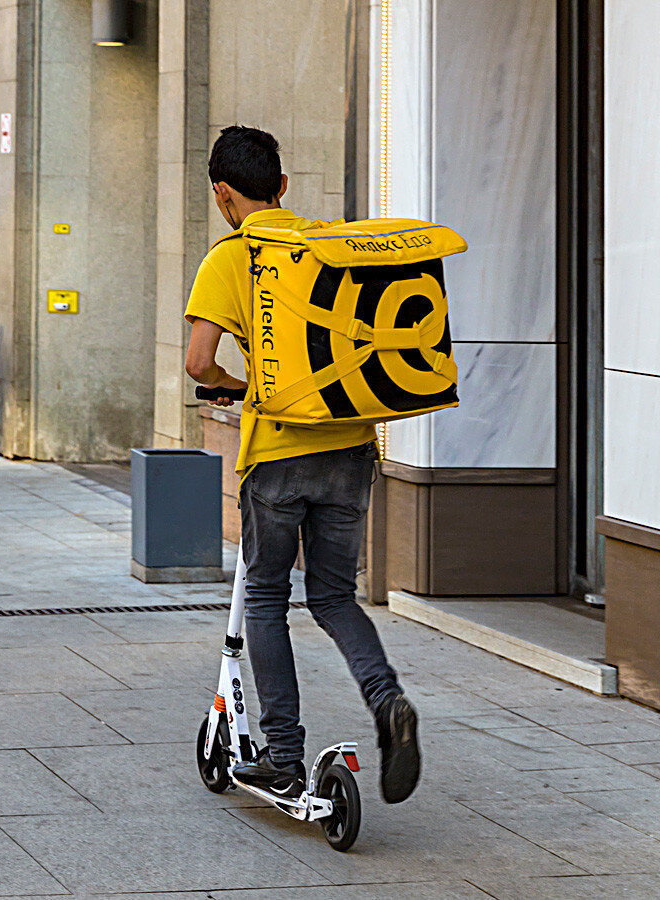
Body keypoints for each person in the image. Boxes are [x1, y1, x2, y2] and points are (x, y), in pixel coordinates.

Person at [183, 126, 421, 805]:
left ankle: (282, 755)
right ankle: (388, 700)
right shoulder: (325, 243)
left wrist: (235, 382)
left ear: (223, 195)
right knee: (333, 596)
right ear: (283, 186)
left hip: (281, 451)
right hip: (349, 448)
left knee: (264, 596)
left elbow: (199, 363)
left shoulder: (231, 257)